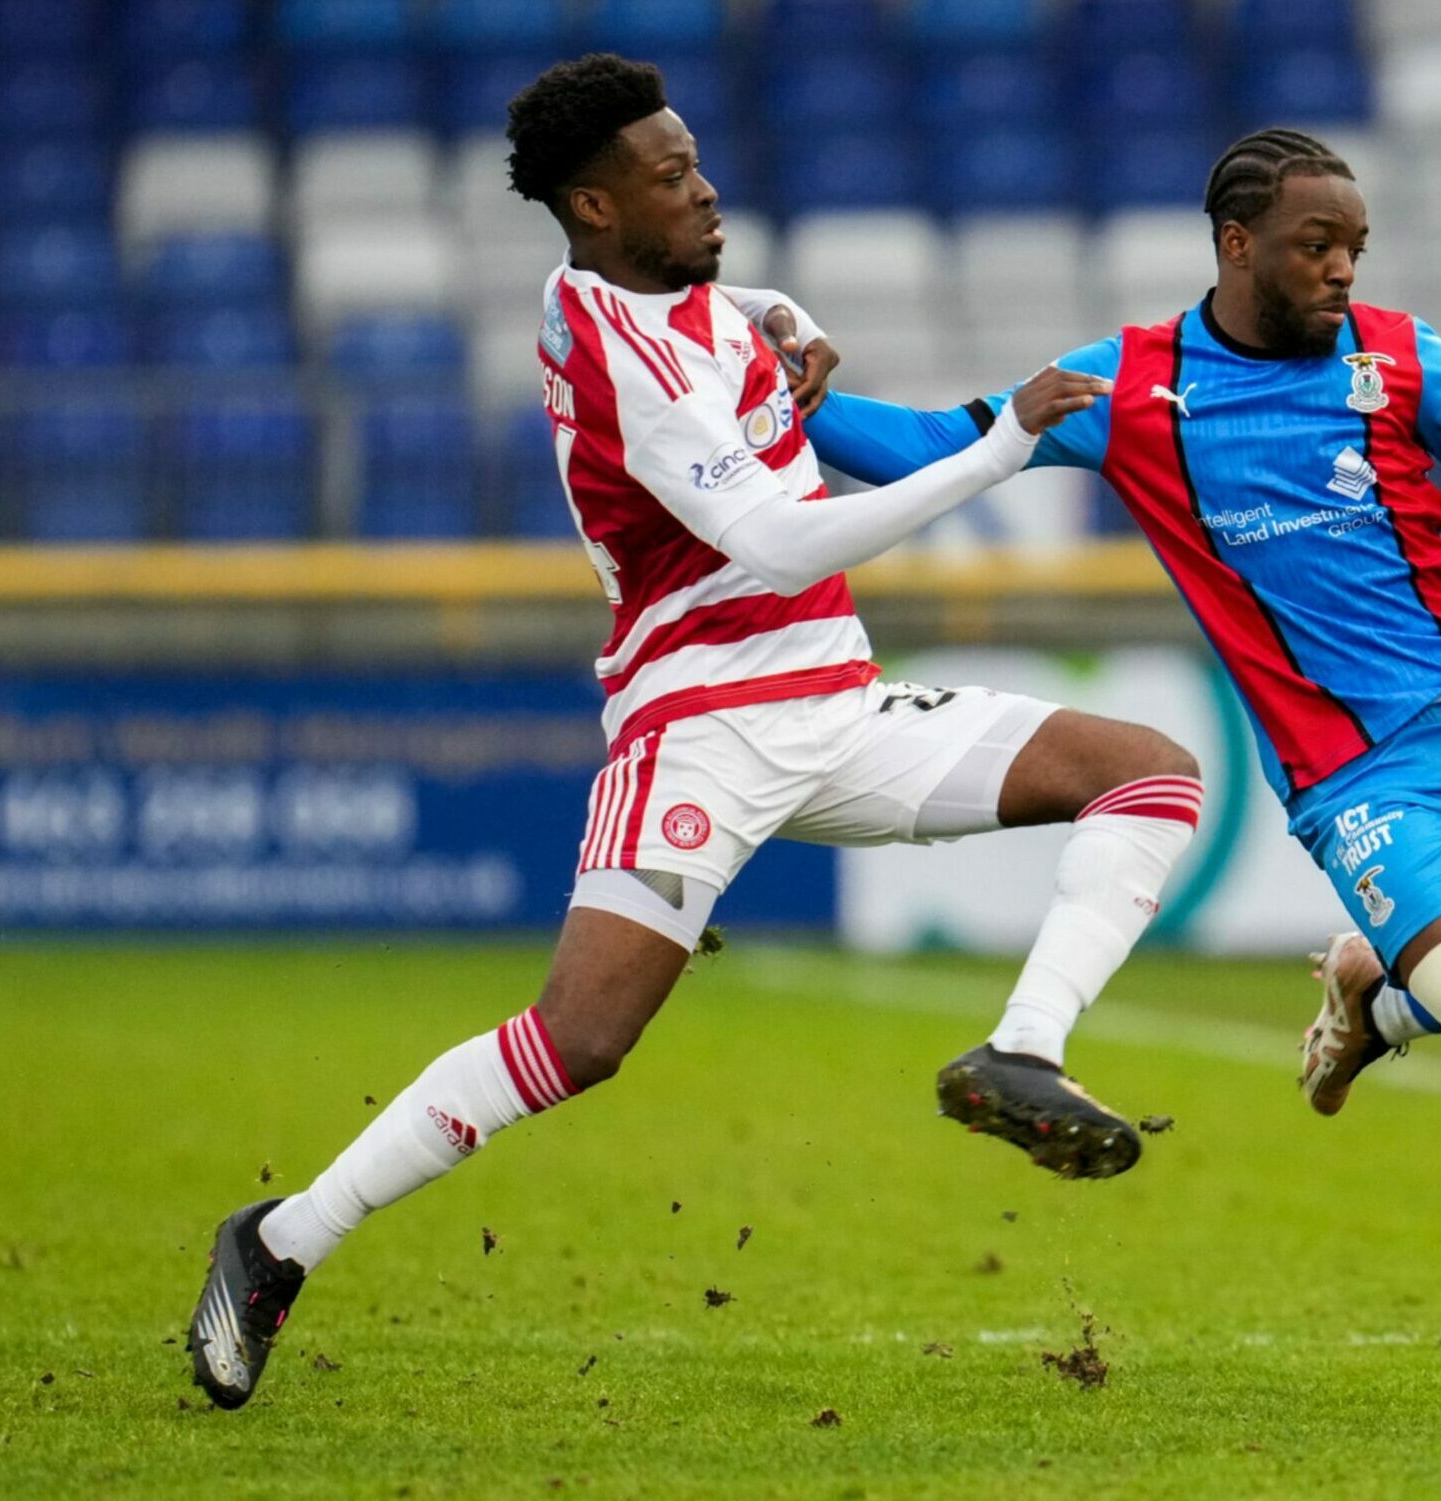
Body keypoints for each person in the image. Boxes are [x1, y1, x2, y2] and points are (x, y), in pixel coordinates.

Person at [186, 56, 1206, 1410]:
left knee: (1145, 775)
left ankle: (1022, 1051)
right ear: (596, 205)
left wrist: (780, 311)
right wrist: (999, 445)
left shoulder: (662, 291)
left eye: (695, 156)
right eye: (670, 174)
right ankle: (279, 1240)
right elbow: (778, 540)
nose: (704, 183)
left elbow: (722, 312)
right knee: (579, 1041)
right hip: (699, 728)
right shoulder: (626, 358)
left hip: (836, 703)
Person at [799, 128, 1441, 1418]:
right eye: (1318, 246)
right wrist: (795, 401)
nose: (1344, 270)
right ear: (1236, 244)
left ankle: (1380, 997)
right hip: (1364, 781)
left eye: (1356, 247)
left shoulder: (1405, 361)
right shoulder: (1132, 390)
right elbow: (933, 445)